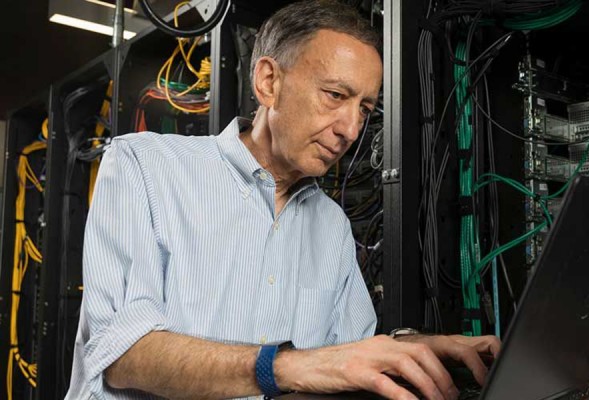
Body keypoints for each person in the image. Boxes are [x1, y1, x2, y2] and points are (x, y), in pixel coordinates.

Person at [65, 1, 500, 399]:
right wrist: (288, 366)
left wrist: (416, 348)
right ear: (268, 81)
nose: (350, 129)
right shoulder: (146, 166)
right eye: (335, 95)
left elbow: (342, 355)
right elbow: (121, 354)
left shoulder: (331, 224)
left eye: (365, 109)